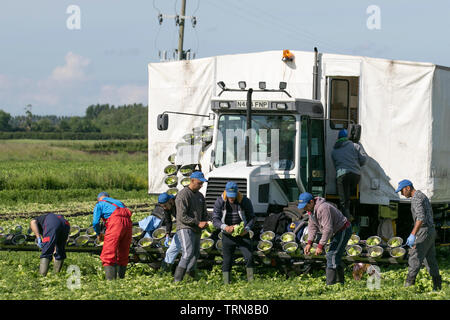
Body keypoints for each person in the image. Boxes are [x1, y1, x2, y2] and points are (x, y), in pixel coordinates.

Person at [395, 179, 442, 290]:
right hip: (430, 231)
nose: (402, 194)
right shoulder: (422, 195)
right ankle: (438, 286)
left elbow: (420, 218)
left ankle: (408, 288)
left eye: (402, 191)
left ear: (408, 188)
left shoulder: (416, 198)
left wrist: (413, 234)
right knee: (430, 259)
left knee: (414, 258)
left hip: (423, 231)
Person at [298, 192, 351, 285]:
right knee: (335, 255)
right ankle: (340, 283)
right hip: (335, 231)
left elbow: (328, 229)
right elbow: (312, 226)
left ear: (311, 202)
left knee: (331, 254)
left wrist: (320, 245)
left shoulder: (323, 208)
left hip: (343, 230)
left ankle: (330, 285)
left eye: (305, 206)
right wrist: (309, 242)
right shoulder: (311, 211)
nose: (304, 208)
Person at [212, 181, 256, 284]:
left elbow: (252, 218)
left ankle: (251, 281)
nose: (231, 199)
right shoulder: (220, 201)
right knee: (227, 260)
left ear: (237, 193)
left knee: (249, 257)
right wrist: (225, 227)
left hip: (242, 235)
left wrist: (247, 229)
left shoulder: (245, 201)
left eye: (233, 196)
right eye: (229, 196)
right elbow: (215, 220)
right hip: (227, 235)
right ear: (226, 193)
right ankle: (226, 282)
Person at [173, 171, 209, 282]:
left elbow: (204, 212)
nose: (201, 185)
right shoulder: (183, 195)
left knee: (195, 254)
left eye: (202, 183)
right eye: (199, 183)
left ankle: (190, 277)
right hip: (185, 227)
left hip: (196, 228)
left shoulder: (200, 196)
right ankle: (177, 280)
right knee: (188, 253)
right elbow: (182, 216)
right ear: (192, 180)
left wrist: (206, 221)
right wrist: (197, 223)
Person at [93, 192, 133, 280]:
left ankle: (111, 282)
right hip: (128, 224)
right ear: (108, 197)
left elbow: (95, 222)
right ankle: (121, 278)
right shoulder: (119, 202)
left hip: (116, 224)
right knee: (123, 251)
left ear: (99, 199)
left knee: (109, 252)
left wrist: (98, 233)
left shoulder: (100, 204)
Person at [331, 129, 367, 221]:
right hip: (355, 176)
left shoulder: (334, 150)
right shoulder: (355, 146)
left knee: (343, 200)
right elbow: (363, 160)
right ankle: (351, 212)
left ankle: (347, 219)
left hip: (342, 175)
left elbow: (335, 165)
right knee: (350, 193)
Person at [156, 192, 182, 273]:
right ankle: (165, 273)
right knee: (171, 251)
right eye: (162, 206)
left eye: (165, 205)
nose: (164, 208)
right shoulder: (166, 208)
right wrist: (167, 234)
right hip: (181, 227)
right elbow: (168, 221)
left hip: (188, 227)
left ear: (171, 201)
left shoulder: (179, 203)